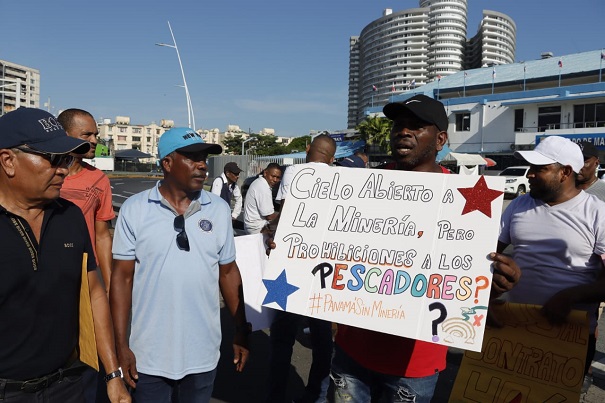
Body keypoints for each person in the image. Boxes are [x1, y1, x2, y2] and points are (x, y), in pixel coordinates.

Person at [330, 95, 520, 403]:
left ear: (441, 139)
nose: (403, 131)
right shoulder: (361, 188)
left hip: (415, 367)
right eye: (399, 125)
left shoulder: (467, 203)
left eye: (417, 126)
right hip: (352, 352)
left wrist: (496, 286)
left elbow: (467, 285)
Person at [110, 127, 250, 402]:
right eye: (192, 157)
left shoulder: (219, 210)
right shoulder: (135, 209)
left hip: (203, 354)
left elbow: (229, 272)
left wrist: (241, 329)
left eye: (204, 158)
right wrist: (120, 344)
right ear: (167, 163)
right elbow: (122, 279)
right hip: (146, 357)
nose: (202, 165)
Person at [0, 108, 130, 403]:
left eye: (67, 159)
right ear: (8, 161)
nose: (63, 169)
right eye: (53, 158)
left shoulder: (70, 216)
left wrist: (112, 374)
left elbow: (93, 292)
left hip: (70, 385)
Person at [500, 135, 605, 394]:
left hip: (568, 334)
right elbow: (488, 250)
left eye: (539, 169)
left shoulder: (597, 213)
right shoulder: (519, 204)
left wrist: (569, 297)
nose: (529, 175)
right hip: (515, 326)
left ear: (565, 172)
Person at [266, 134, 336, 403]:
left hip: (291, 263)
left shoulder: (293, 172)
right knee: (321, 338)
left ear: (308, 150)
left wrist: (271, 231)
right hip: (324, 268)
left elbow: (287, 214)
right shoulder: (339, 177)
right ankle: (315, 396)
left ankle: (275, 396)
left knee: (282, 338)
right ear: (331, 159)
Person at [58, 108, 116, 403]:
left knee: (88, 354)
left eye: (96, 134)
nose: (95, 139)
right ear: (65, 135)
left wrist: (107, 283)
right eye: (87, 134)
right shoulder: (42, 174)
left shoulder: (99, 180)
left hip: (86, 277)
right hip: (50, 274)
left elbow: (102, 234)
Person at [243, 162, 282, 234]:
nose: (275, 180)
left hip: (254, 225)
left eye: (278, 177)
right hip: (257, 227)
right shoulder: (263, 187)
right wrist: (286, 217)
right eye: (273, 176)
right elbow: (269, 216)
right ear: (265, 173)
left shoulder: (260, 182)